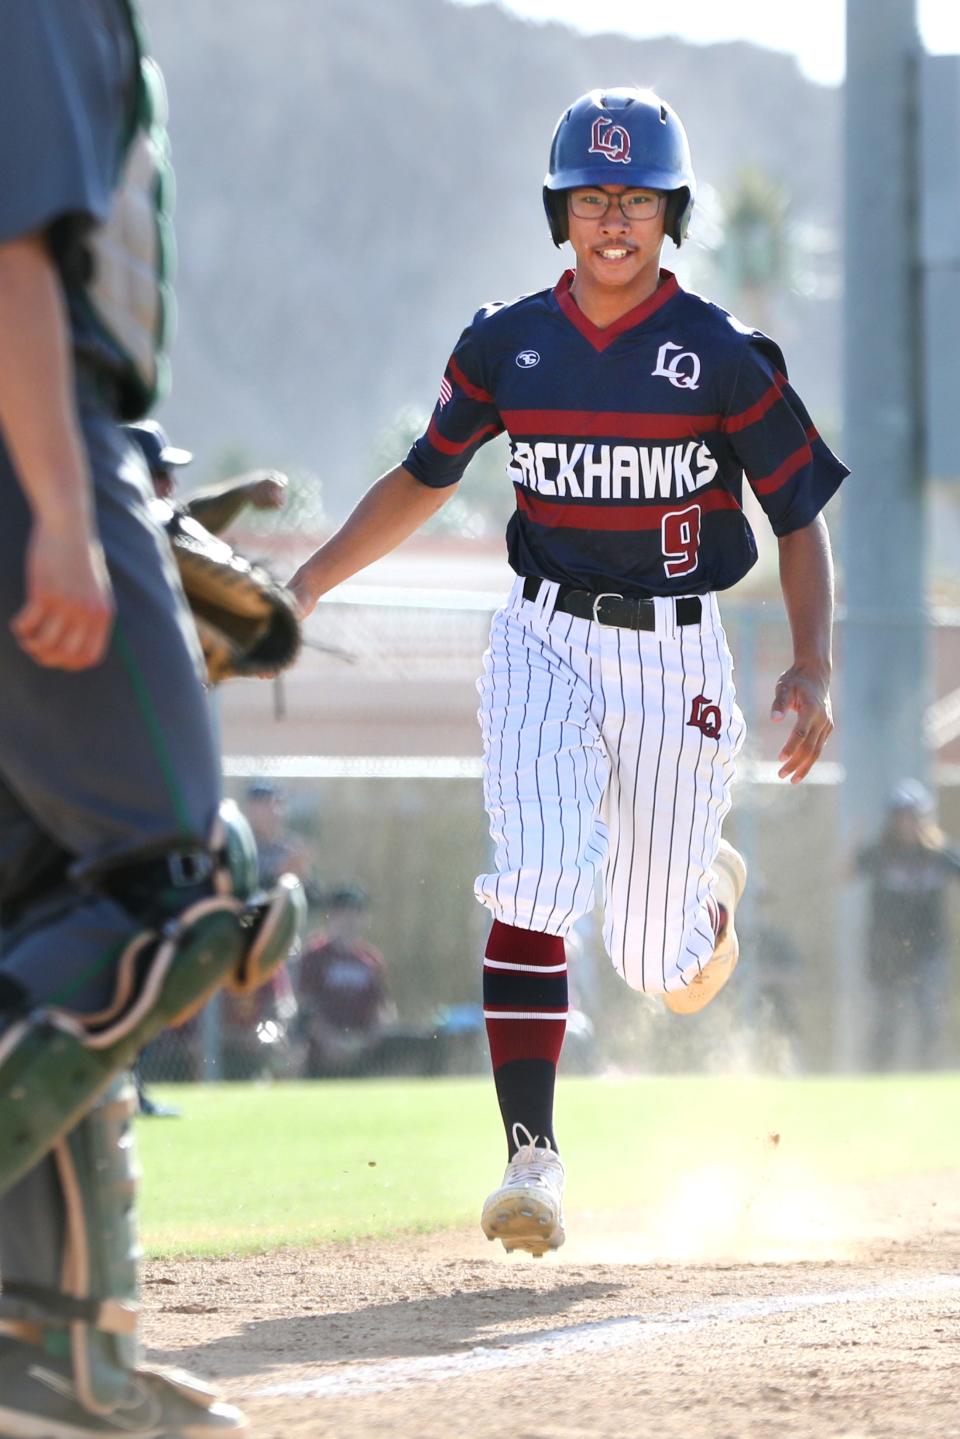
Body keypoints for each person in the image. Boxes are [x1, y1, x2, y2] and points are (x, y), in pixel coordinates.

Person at [289, 87, 845, 1255]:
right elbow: (421, 478)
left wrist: (811, 662)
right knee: (536, 882)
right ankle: (531, 1158)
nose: (612, 221)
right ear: (560, 209)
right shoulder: (505, 343)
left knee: (665, 969)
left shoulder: (722, 357)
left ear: (669, 213)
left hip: (678, 651)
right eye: (591, 197)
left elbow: (798, 514)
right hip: (543, 636)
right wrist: (309, 583)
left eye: (636, 198)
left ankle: (704, 896)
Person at [0, 4, 302, 1432]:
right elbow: (13, 253)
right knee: (182, 882)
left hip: (52, 435)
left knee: (46, 894)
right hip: (33, 441)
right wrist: (68, 510)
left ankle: (53, 1352)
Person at [857, 780, 960, 1071]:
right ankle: (878, 1078)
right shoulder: (879, 852)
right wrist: (855, 838)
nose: (906, 823)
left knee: (929, 1015)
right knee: (886, 1018)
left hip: (928, 949)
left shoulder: (940, 854)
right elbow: (844, 873)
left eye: (912, 816)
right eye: (900, 816)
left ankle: (928, 1075)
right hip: (886, 950)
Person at [123, 417, 289, 533]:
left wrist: (245, 490)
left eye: (168, 473)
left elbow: (189, 516)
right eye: (159, 474)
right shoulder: (110, 532)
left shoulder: (154, 525)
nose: (170, 485)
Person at [298, 887, 395, 1077]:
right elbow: (305, 1007)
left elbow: (384, 1008)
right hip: (321, 1058)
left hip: (363, 1056)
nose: (350, 920)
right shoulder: (314, 956)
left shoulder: (371, 959)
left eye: (356, 913)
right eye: (343, 913)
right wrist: (330, 1041)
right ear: (331, 916)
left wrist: (366, 1041)